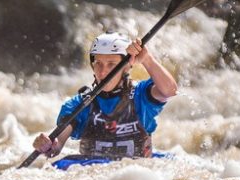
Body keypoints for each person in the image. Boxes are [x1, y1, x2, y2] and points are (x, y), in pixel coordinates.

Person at [32, 31, 177, 160]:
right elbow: (56, 145)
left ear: (126, 67)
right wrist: (48, 145)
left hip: (135, 175)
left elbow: (169, 91)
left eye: (111, 64)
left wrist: (147, 59)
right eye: (98, 64)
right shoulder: (79, 104)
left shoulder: (140, 95)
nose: (102, 72)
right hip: (94, 177)